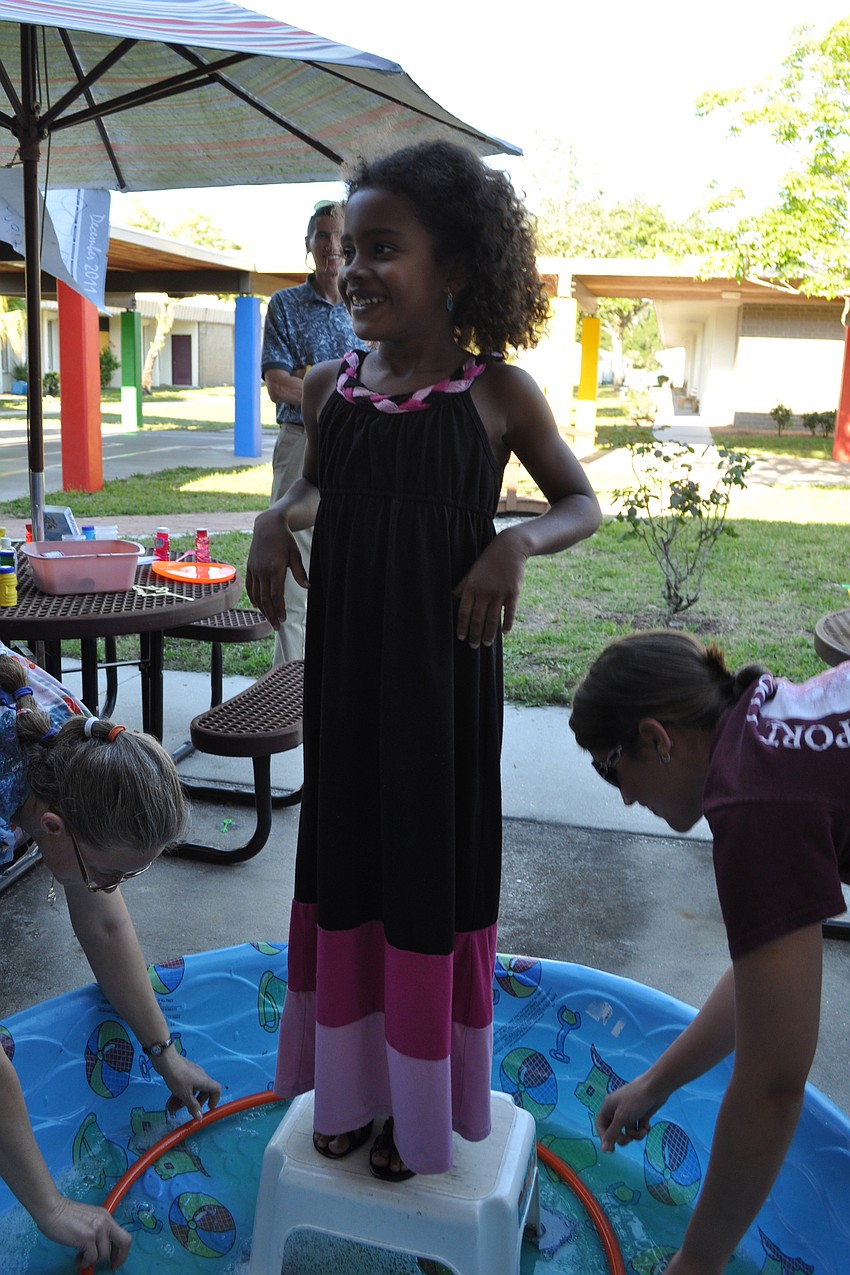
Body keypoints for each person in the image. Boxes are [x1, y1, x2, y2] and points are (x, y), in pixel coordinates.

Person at [247, 139, 601, 1183]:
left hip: (442, 694)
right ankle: (350, 1093)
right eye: (346, 247)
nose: (353, 266)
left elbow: (578, 500)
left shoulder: (499, 396)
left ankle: (421, 1107)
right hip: (351, 686)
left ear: (453, 267)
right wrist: (276, 515)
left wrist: (510, 541)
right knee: (347, 859)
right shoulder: (329, 386)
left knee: (426, 875)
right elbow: (327, 495)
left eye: (382, 247)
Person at [568, 630, 850, 1275]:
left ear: (657, 739)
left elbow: (774, 1085)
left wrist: (697, 1260)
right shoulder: (759, 723)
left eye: (611, 766)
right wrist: (654, 1083)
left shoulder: (755, 802)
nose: (624, 797)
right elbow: (766, 984)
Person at [0, 643, 221, 1271]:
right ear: (49, 826)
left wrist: (162, 1049)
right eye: (109, 871)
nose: (113, 886)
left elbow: (101, 918)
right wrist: (49, 1206)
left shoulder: (75, 739)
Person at [260, 199, 366, 663]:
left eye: (338, 237)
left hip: (361, 449)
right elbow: (278, 384)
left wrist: (309, 379)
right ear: (309, 245)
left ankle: (341, 672)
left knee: (353, 563)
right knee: (292, 569)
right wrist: (344, 388)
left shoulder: (366, 304)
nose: (330, 246)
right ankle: (291, 688)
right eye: (321, 236)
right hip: (300, 446)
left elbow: (384, 377)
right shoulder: (284, 305)